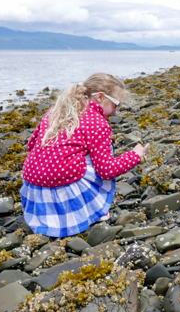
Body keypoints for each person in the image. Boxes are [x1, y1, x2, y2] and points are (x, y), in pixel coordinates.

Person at [21, 73, 148, 238]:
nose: (116, 113)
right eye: (116, 105)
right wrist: (135, 156)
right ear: (101, 97)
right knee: (103, 152)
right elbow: (106, 170)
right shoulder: (97, 122)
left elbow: (31, 145)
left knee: (69, 152)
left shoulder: (56, 112)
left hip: (34, 187)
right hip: (64, 191)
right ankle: (94, 211)